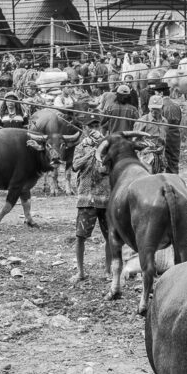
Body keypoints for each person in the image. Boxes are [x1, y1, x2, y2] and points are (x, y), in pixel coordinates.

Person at [71, 116, 111, 283]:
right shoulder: (81, 146)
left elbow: (110, 167)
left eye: (97, 125)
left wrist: (102, 147)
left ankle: (109, 272)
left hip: (105, 198)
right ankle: (80, 272)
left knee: (111, 237)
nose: (94, 128)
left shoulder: (108, 146)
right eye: (91, 126)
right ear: (85, 129)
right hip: (86, 199)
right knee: (80, 236)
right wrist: (91, 153)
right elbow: (75, 166)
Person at [152, 81, 183, 174]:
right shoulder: (176, 105)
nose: (155, 96)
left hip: (164, 135)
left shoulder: (160, 107)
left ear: (161, 93)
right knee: (173, 162)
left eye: (156, 93)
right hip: (176, 137)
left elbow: (159, 123)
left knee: (159, 162)